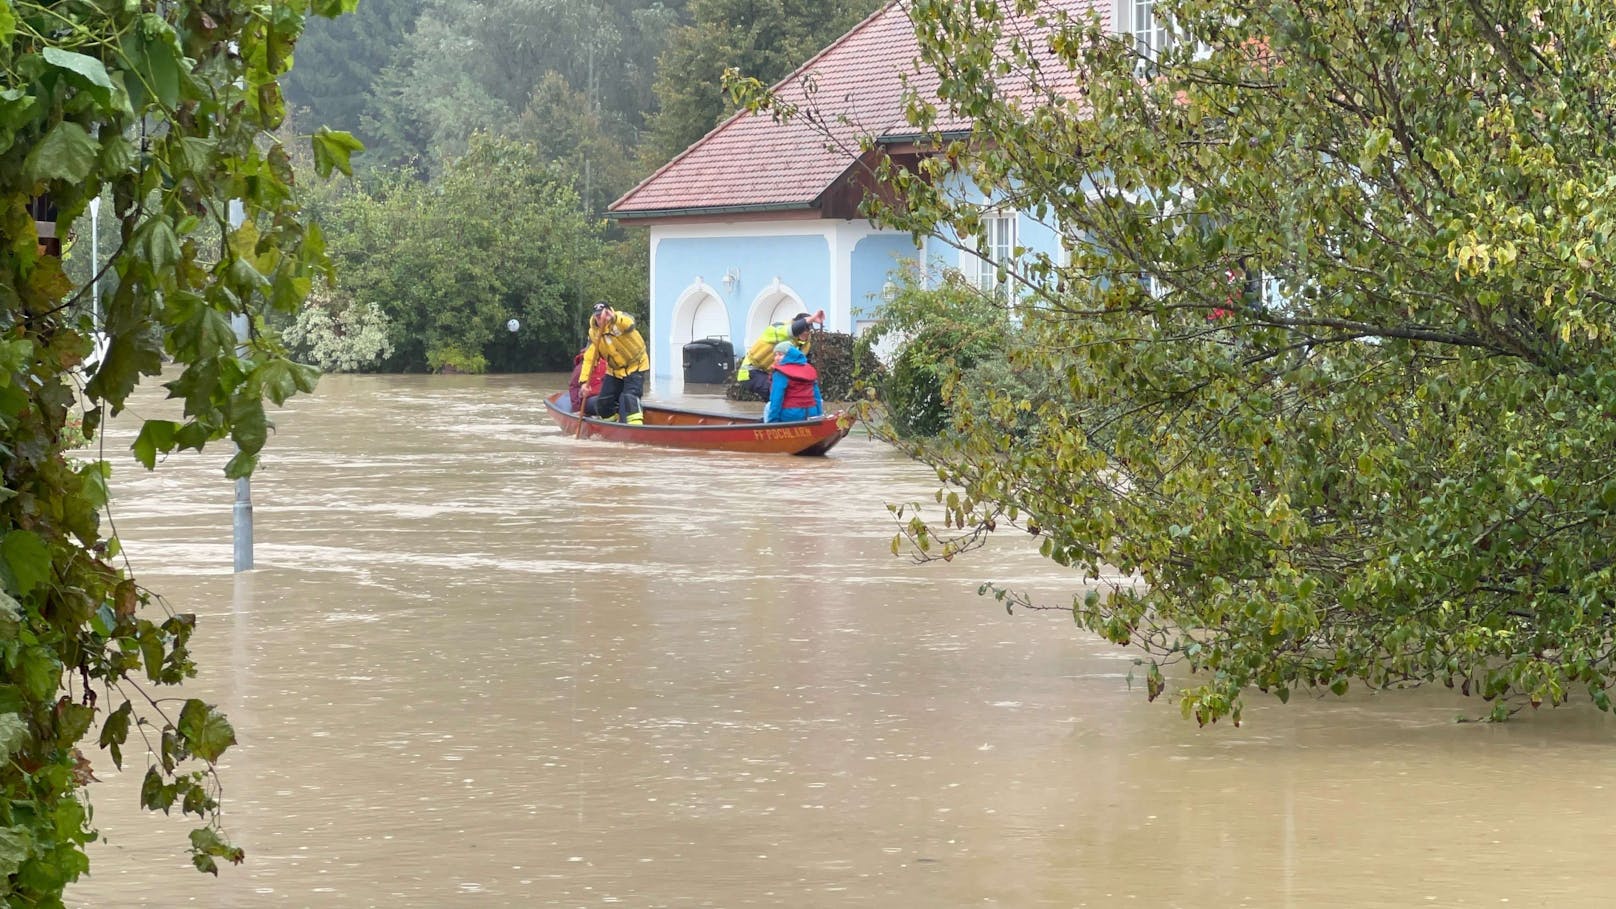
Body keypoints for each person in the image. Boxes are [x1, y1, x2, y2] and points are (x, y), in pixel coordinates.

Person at [578, 301, 650, 425]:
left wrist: (614, 318)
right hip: (614, 370)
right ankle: (612, 427)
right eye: (598, 316)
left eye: (603, 315)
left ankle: (636, 429)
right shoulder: (594, 334)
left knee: (629, 397)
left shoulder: (621, 319)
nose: (601, 319)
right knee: (603, 404)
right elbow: (590, 359)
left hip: (636, 366)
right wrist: (584, 382)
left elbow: (630, 324)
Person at [736, 308, 825, 397]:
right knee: (777, 392)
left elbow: (803, 365)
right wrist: (812, 318)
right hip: (750, 372)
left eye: (808, 330)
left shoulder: (805, 345)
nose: (806, 333)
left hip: (772, 374)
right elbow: (791, 330)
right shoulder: (775, 330)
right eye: (803, 329)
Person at [765, 340, 824, 423]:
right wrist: (819, 415)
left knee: (768, 406)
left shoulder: (780, 372)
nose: (777, 358)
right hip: (811, 412)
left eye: (780, 354)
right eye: (775, 355)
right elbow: (817, 396)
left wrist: (772, 422)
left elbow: (776, 399)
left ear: (789, 355)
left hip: (791, 414)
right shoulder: (808, 369)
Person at [567, 343, 607, 413]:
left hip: (604, 396)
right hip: (590, 399)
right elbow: (574, 387)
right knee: (603, 401)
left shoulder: (608, 363)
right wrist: (577, 409)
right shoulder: (582, 367)